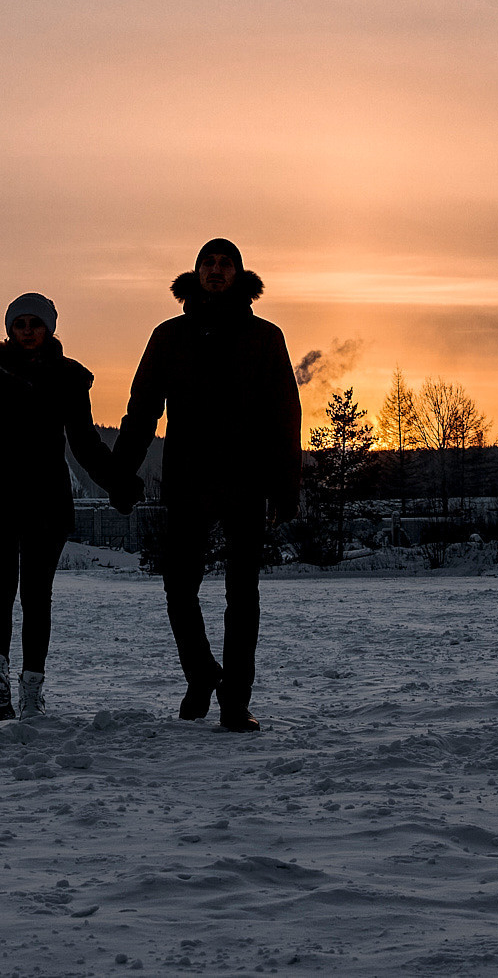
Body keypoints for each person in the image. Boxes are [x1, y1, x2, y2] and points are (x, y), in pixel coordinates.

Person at [106, 239, 301, 732]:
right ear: (195, 272)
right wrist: (122, 473)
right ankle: (201, 674)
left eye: (225, 263)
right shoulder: (169, 336)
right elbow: (142, 410)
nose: (216, 270)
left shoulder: (264, 337)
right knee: (178, 587)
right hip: (189, 479)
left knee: (244, 593)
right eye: (208, 263)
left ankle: (235, 699)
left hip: (246, 479)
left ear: (239, 273)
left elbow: (285, 415)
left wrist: (286, 484)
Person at [0, 292, 129, 721]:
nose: (26, 331)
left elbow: (85, 443)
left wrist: (118, 482)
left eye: (34, 324)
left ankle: (32, 685)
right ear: (9, 329)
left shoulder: (67, 379)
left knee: (38, 597)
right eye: (19, 324)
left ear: (49, 329)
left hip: (46, 501)